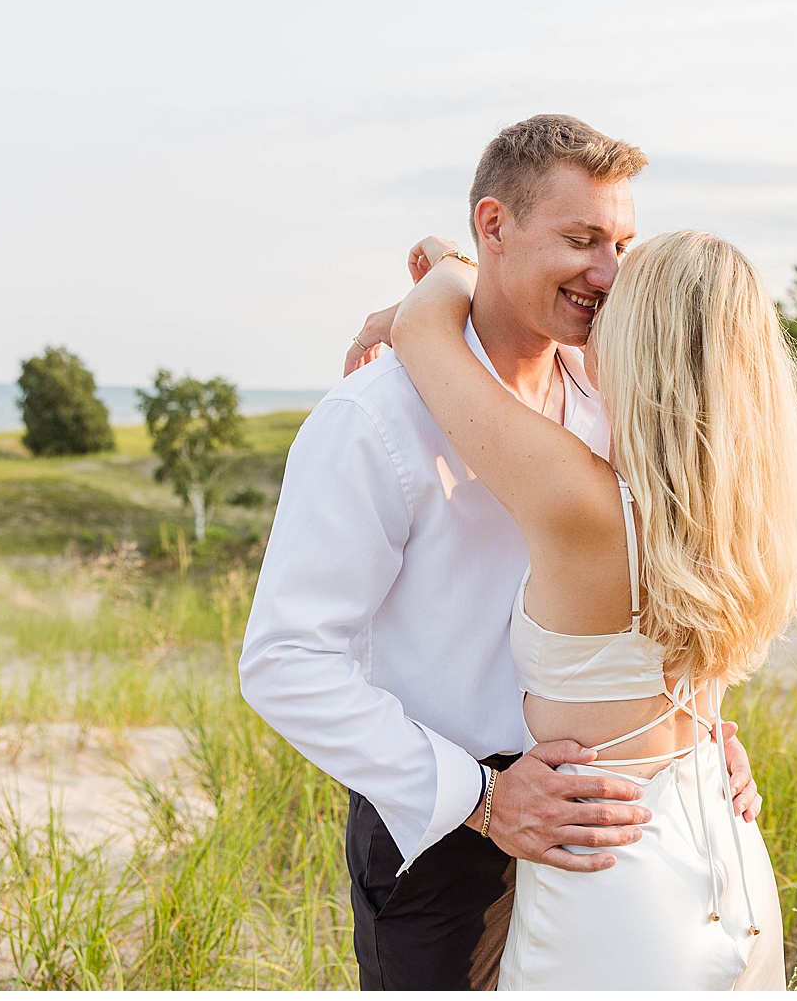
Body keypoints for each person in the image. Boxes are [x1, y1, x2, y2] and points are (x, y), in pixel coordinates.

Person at [237, 115, 763, 991]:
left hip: (624, 833)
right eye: (581, 238)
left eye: (622, 243)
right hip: (446, 836)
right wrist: (484, 801)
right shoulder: (372, 419)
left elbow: (673, 581)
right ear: (494, 227)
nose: (609, 272)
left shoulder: (616, 393)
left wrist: (701, 725)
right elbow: (287, 662)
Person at [385, 228, 797, 989]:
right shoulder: (745, 511)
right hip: (732, 861)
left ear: (638, 342)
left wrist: (458, 260)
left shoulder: (582, 501)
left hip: (614, 881)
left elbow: (420, 332)